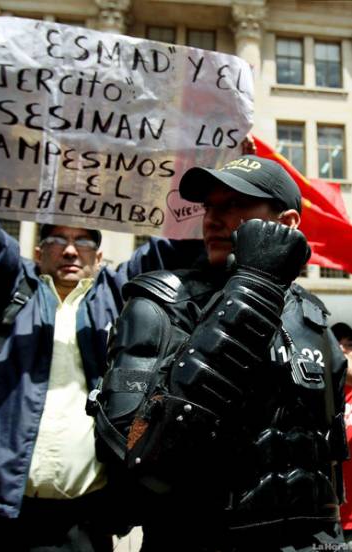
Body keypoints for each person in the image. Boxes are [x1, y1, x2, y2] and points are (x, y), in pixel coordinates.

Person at [0, 87, 206, 552]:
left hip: (83, 523)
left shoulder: (120, 296)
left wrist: (212, 168)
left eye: (84, 241)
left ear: (100, 257)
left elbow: (177, 245)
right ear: (38, 252)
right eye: (58, 240)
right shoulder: (11, 291)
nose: (71, 249)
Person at [91, 155, 348, 552]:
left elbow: (323, 456)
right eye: (210, 206)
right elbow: (136, 453)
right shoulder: (161, 303)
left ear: (287, 224)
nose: (212, 219)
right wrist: (252, 289)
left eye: (234, 205)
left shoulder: (313, 316)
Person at [333, 322, 352, 550]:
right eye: (336, 343)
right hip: (328, 520)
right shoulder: (326, 391)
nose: (342, 348)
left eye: (348, 345)